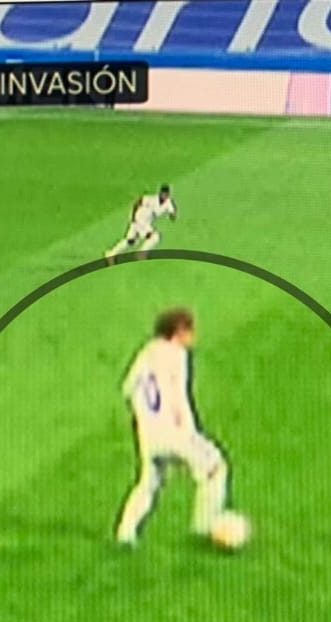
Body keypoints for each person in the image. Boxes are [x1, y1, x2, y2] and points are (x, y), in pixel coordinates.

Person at [114, 307, 229, 546]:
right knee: (215, 468)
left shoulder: (145, 354)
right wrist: (190, 432)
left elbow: (128, 389)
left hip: (148, 434)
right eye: (190, 331)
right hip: (175, 432)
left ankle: (125, 534)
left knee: (149, 483)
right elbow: (178, 396)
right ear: (179, 332)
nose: (193, 337)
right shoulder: (177, 355)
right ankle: (204, 529)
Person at [104, 185, 177, 263]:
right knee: (155, 237)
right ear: (160, 193)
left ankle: (111, 254)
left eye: (167, 194)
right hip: (139, 220)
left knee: (130, 241)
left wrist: (172, 214)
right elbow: (137, 202)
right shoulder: (151, 199)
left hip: (145, 222)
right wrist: (132, 217)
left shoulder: (168, 203)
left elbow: (173, 215)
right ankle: (141, 254)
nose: (165, 196)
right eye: (164, 194)